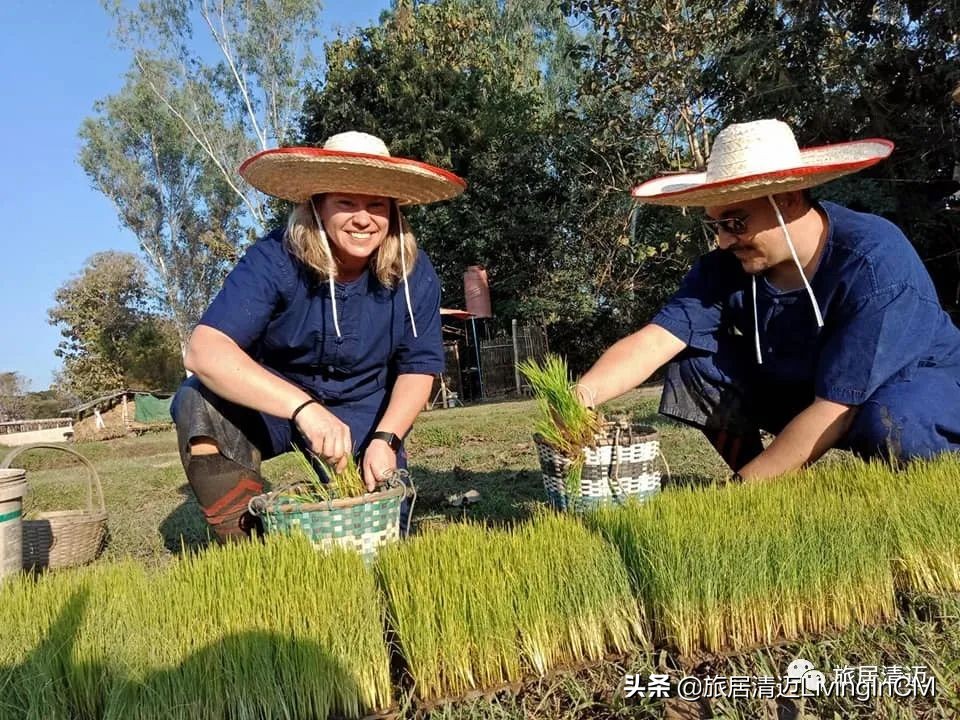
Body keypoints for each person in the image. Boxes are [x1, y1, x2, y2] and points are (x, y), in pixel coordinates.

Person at [577, 119, 960, 482]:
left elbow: (839, 407)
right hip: (808, 385)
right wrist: (580, 397)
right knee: (696, 365)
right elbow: (656, 341)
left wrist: (737, 493)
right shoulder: (727, 265)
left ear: (788, 199)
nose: (723, 241)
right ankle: (765, 474)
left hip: (908, 385)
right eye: (716, 225)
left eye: (735, 222)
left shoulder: (873, 260)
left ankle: (763, 480)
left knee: (895, 423)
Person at [171, 131, 466, 541]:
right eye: (346, 202)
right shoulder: (274, 258)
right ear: (317, 206)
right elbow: (204, 351)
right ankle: (245, 541)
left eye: (376, 205)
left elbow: (419, 367)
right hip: (277, 404)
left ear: (393, 212)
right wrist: (304, 409)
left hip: (367, 410)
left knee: (372, 539)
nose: (362, 219)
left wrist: (386, 438)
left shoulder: (414, 271)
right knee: (196, 403)